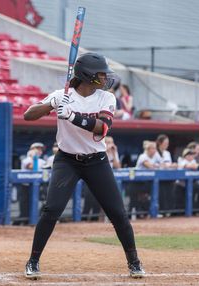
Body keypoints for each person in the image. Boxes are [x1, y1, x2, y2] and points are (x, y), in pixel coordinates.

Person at [23, 52, 145, 279]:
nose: (106, 77)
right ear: (88, 75)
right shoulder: (62, 95)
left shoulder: (106, 98)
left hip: (96, 161)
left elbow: (102, 128)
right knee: (51, 211)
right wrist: (52, 103)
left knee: (118, 214)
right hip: (67, 160)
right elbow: (28, 115)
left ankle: (134, 262)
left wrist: (72, 116)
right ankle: (33, 261)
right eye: (101, 74)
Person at [17, 142, 46, 225]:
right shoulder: (26, 159)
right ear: (31, 150)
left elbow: (48, 169)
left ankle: (35, 220)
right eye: (37, 149)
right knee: (24, 204)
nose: (39, 151)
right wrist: (34, 158)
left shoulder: (42, 161)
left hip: (37, 186)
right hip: (25, 186)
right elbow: (31, 167)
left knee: (39, 202)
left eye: (40, 149)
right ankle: (23, 220)